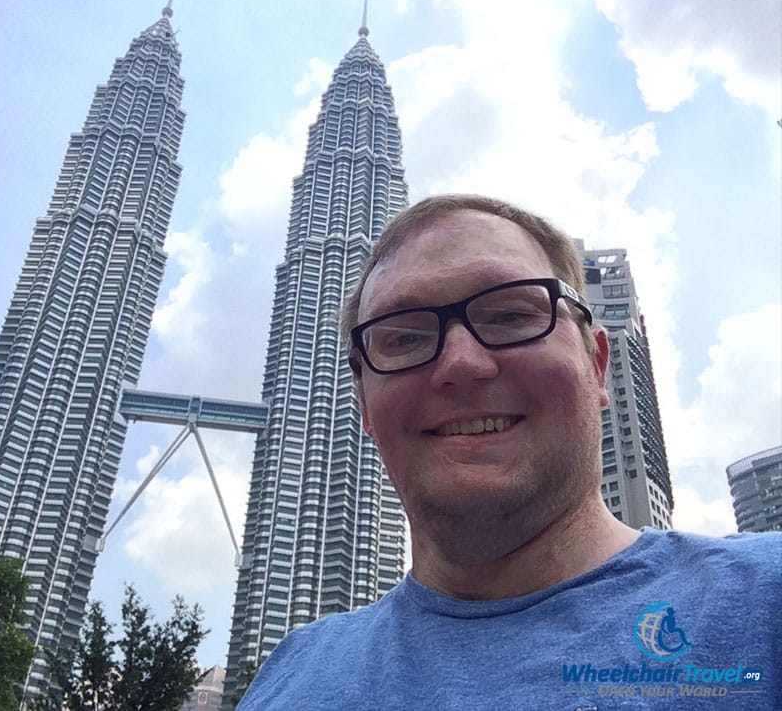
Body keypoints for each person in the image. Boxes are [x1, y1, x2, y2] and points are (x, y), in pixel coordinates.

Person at [237, 194, 780, 710]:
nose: (461, 364)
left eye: (511, 315)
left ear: (596, 365)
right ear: (364, 406)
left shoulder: (766, 596)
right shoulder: (291, 676)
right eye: (404, 337)